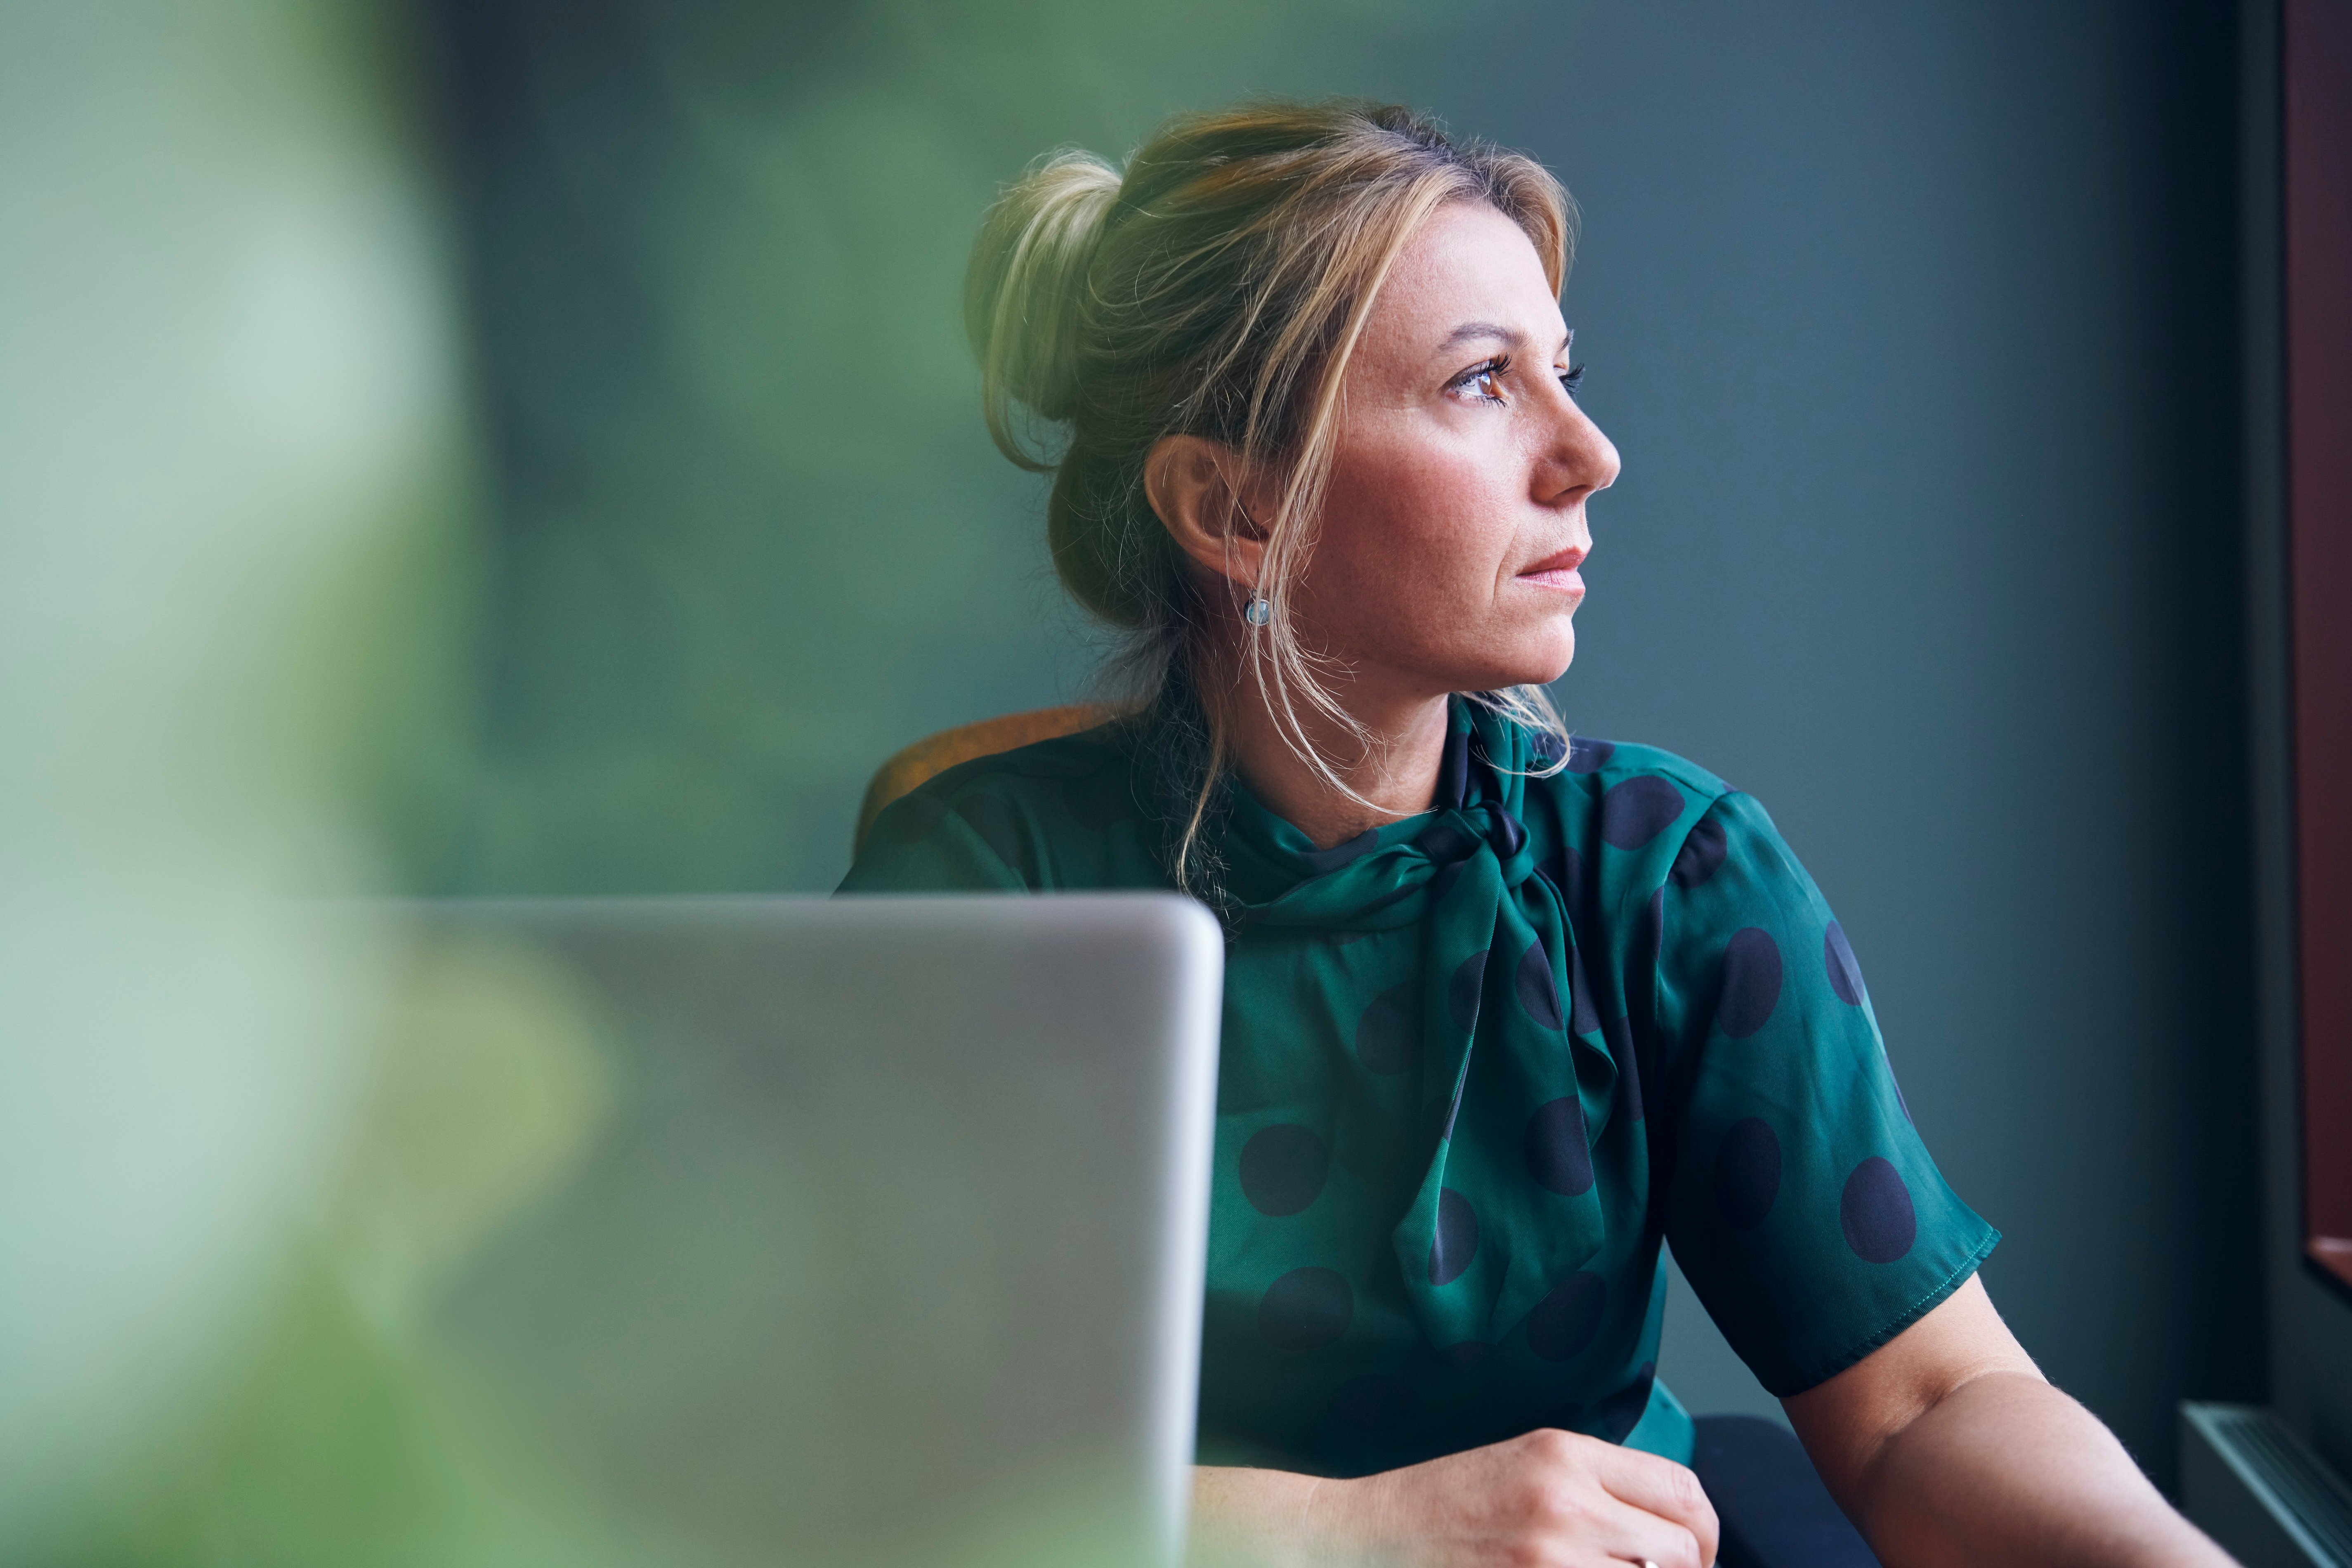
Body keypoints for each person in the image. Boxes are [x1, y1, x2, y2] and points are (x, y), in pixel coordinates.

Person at [839, 100, 2229, 1568]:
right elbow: (851, 1466)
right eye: (1483, 383)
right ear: (1235, 506)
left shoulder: (1669, 876)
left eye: (1562, 373)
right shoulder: (979, 893)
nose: (1591, 454)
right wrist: (1350, 1535)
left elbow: (1921, 1405)